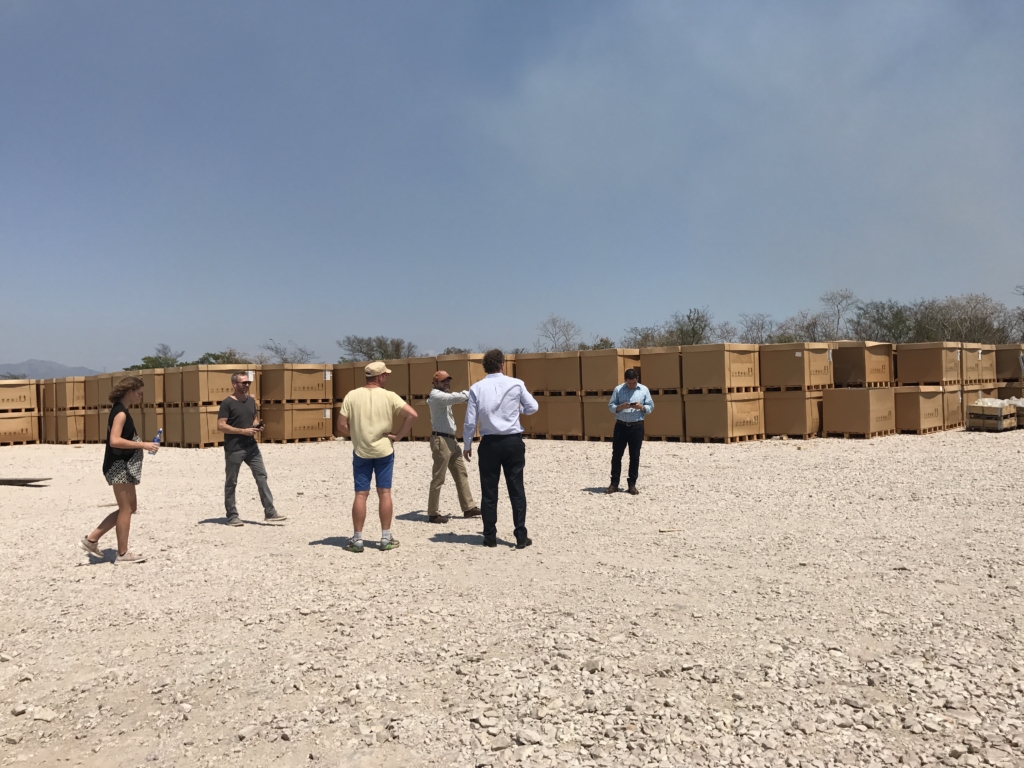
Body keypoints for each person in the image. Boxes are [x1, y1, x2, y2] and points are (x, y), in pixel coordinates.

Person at [337, 361, 418, 553]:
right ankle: (385, 537)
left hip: (361, 450)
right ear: (380, 376)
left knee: (361, 494)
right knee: (385, 493)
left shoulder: (352, 395)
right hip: (384, 450)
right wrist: (398, 436)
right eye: (386, 375)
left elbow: (341, 425)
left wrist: (356, 434)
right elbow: (412, 415)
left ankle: (357, 539)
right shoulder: (389, 396)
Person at [78, 376, 160, 564]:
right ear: (129, 392)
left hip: (121, 465)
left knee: (130, 508)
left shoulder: (120, 411)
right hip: (118, 465)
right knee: (126, 509)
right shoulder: (121, 413)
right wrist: (144, 444)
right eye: (139, 393)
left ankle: (91, 539)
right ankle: (122, 553)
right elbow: (114, 440)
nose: (140, 397)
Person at [463, 349, 538, 549]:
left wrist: (467, 444)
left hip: (489, 443)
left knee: (489, 491)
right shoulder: (516, 383)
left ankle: (489, 536)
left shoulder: (476, 388)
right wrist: (519, 409)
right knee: (516, 489)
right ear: (502, 365)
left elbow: (471, 421)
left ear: (485, 367)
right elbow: (533, 407)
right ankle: (521, 535)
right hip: (513, 441)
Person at [217, 371, 286, 526]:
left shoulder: (250, 401)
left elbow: (253, 419)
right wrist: (242, 431)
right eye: (244, 383)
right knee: (231, 481)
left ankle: (270, 512)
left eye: (248, 383)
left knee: (261, 476)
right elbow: (221, 425)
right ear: (234, 384)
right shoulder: (227, 403)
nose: (247, 385)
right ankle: (232, 515)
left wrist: (257, 426)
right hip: (234, 448)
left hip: (251, 446)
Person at [425, 370, 482, 523]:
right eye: (443, 381)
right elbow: (457, 398)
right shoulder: (437, 396)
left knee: (461, 473)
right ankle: (433, 513)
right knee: (438, 477)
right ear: (435, 383)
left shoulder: (444, 397)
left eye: (448, 380)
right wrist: (472, 391)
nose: (447, 383)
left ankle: (468, 507)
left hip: (451, 440)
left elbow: (461, 399)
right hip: (441, 440)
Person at [605, 368, 654, 495]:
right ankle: (614, 484)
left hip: (637, 427)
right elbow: (611, 406)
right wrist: (619, 407)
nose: (631, 385)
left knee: (635, 456)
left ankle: (632, 484)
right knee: (616, 455)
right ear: (625, 380)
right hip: (621, 426)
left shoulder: (644, 390)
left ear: (637, 379)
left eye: (633, 383)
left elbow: (651, 406)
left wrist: (642, 407)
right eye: (629, 383)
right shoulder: (618, 389)